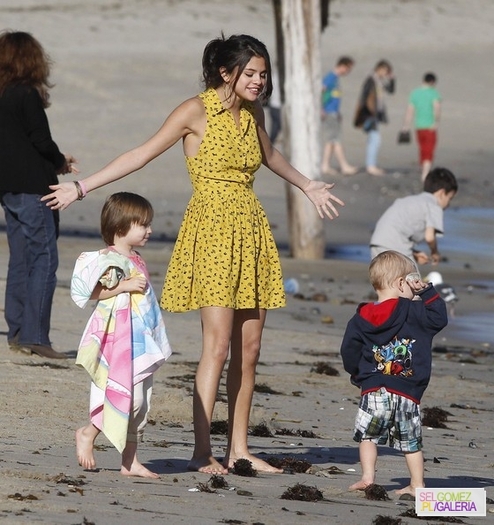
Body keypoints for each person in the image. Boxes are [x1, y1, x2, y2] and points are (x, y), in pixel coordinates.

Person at [42, 34, 345, 475]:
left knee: (251, 347)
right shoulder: (195, 111)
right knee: (217, 346)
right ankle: (202, 451)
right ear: (227, 72)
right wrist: (81, 187)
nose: (260, 81)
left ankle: (238, 448)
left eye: (264, 74)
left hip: (251, 230)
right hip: (212, 230)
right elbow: (141, 155)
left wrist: (307, 184)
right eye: (252, 73)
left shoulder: (253, 114)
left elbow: (270, 154)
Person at [72, 192, 172, 478]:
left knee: (142, 403)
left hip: (141, 339)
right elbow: (91, 294)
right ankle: (88, 433)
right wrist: (123, 287)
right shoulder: (108, 260)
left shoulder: (137, 258)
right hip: (118, 341)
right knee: (127, 397)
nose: (149, 230)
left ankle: (130, 461)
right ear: (120, 228)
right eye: (143, 224)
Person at [340, 250, 448, 495]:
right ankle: (417, 484)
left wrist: (357, 373)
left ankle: (368, 477)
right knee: (410, 441)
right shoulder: (415, 312)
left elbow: (349, 350)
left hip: (374, 387)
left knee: (368, 436)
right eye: (411, 280)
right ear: (402, 283)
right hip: (407, 391)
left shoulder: (361, 317)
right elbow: (439, 318)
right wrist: (427, 292)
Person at [0, 30, 78, 359]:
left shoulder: (2, 94)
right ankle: (35, 336)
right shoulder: (25, 95)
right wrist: (60, 162)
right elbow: (40, 141)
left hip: (8, 188)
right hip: (33, 189)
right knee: (45, 259)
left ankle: (17, 331)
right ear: (32, 60)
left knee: (20, 259)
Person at [370, 167, 457, 265]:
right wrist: (435, 252)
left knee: (385, 278)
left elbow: (398, 230)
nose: (449, 204)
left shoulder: (409, 200)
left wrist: (413, 254)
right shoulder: (433, 204)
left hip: (377, 242)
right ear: (441, 193)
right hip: (395, 245)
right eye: (450, 198)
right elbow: (430, 237)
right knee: (412, 279)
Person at [353, 60, 395, 176]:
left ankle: (371, 164)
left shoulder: (379, 81)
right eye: (385, 71)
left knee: (373, 139)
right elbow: (364, 98)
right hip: (369, 115)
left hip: (375, 115)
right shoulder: (371, 80)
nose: (386, 74)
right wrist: (365, 115)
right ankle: (371, 166)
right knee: (375, 139)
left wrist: (392, 79)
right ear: (380, 68)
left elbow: (391, 90)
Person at [320, 56, 357, 176]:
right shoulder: (330, 77)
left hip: (334, 112)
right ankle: (343, 165)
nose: (348, 72)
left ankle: (325, 165)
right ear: (343, 66)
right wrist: (321, 108)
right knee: (335, 139)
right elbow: (321, 91)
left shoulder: (335, 79)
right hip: (329, 112)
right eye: (348, 69)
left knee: (331, 141)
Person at [402, 72, 441, 182]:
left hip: (418, 126)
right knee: (429, 149)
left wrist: (406, 126)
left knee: (422, 148)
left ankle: (423, 170)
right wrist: (436, 122)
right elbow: (436, 108)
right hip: (429, 126)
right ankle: (425, 173)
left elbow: (410, 110)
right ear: (432, 82)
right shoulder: (434, 93)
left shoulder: (415, 93)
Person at [267, 65, 282, 144]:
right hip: (277, 105)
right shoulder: (278, 77)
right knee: (277, 125)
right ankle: (270, 142)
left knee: (275, 126)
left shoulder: (273, 76)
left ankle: (271, 142)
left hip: (273, 105)